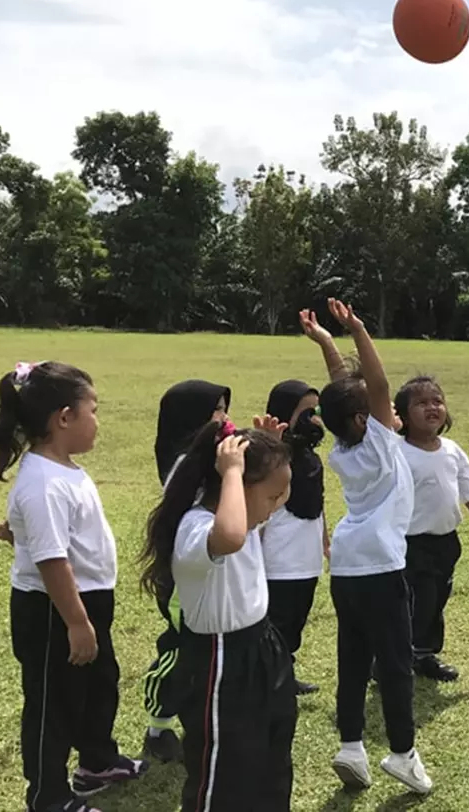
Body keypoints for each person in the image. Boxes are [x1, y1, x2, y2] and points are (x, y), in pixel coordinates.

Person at [0, 360, 147, 812]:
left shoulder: (64, 470)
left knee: (99, 685)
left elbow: (58, 538)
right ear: (63, 417)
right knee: (52, 704)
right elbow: (52, 561)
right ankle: (48, 796)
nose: (98, 421)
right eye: (92, 410)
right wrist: (77, 622)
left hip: (86, 601)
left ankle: (96, 761)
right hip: (53, 610)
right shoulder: (42, 482)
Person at [138, 417, 297, 812]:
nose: (277, 508)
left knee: (272, 757)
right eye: (272, 498)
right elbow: (229, 536)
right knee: (224, 770)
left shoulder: (246, 516)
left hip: (262, 646)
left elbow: (265, 502)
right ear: (233, 490)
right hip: (219, 660)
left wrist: (271, 451)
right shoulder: (199, 528)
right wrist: (234, 472)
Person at [319, 299, 433, 795]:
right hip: (382, 567)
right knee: (394, 664)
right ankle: (404, 754)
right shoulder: (382, 440)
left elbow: (343, 392)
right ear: (368, 417)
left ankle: (351, 748)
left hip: (345, 566)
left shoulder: (343, 447)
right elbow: (379, 386)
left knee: (353, 656)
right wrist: (359, 328)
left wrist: (326, 341)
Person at [142, 380, 232, 763]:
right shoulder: (185, 463)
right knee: (181, 649)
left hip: (211, 568)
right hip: (186, 578)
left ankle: (206, 720)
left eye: (225, 409)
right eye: (216, 411)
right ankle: (157, 724)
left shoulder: (206, 456)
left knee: (207, 651)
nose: (224, 418)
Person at [394, 375, 469, 682]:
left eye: (437, 401)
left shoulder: (452, 450)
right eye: (421, 403)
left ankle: (425, 653)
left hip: (446, 542)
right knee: (415, 600)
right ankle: (396, 655)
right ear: (401, 416)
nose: (432, 407)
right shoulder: (398, 452)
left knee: (438, 598)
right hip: (409, 544)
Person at [261, 309, 348, 694]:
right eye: (305, 413)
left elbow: (319, 498)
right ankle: (268, 677)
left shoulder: (311, 457)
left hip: (306, 554)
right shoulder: (269, 454)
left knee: (297, 617)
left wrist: (325, 538)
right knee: (274, 619)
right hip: (276, 557)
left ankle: (285, 670)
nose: (313, 421)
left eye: (316, 413)